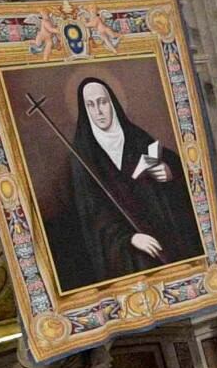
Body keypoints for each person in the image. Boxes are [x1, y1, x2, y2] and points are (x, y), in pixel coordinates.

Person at [42, 73, 201, 291]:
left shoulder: (138, 139)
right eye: (90, 105)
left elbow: (182, 171)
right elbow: (92, 217)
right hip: (126, 254)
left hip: (165, 240)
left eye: (102, 102)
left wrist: (168, 172)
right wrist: (129, 239)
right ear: (84, 111)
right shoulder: (82, 159)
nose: (98, 111)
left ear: (113, 103)